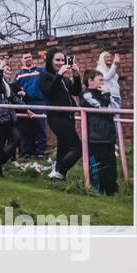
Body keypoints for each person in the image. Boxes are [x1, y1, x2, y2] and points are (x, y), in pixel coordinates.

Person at [38, 47, 83, 179]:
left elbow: (76, 92)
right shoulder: (44, 76)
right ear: (50, 61)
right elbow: (49, 92)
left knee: (63, 148)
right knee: (77, 148)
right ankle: (60, 171)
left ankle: (58, 174)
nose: (60, 62)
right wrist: (58, 76)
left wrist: (76, 75)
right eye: (57, 60)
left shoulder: (65, 79)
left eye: (62, 60)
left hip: (69, 116)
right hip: (57, 117)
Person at [81, 68, 119, 195]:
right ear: (90, 81)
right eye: (100, 80)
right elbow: (101, 108)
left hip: (109, 135)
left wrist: (107, 94)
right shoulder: (87, 94)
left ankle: (112, 191)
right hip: (96, 137)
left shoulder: (104, 93)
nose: (103, 83)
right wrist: (107, 94)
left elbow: (115, 108)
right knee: (98, 167)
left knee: (111, 166)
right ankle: (97, 190)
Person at [13, 49, 50, 156]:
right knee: (25, 129)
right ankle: (26, 152)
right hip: (25, 103)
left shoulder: (40, 70)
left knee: (40, 127)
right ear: (22, 60)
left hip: (39, 102)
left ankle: (40, 152)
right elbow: (15, 89)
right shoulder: (18, 74)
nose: (28, 59)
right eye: (25, 57)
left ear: (32, 58)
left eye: (29, 57)